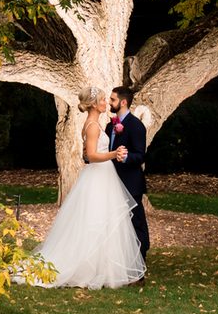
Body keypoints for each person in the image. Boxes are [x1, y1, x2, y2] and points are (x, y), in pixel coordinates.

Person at [28, 85, 145, 288]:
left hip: (103, 176)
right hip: (99, 177)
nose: (105, 103)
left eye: (107, 99)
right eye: (102, 99)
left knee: (105, 222)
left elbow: (87, 155)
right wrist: (113, 153)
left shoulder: (97, 124)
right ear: (93, 104)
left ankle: (106, 267)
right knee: (97, 221)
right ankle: (90, 268)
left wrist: (107, 154)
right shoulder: (92, 126)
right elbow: (91, 155)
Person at [108, 85, 150, 262]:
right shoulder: (110, 125)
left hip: (131, 182)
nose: (110, 102)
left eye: (113, 99)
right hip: (111, 181)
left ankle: (140, 259)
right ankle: (121, 259)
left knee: (135, 222)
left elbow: (140, 155)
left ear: (123, 102)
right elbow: (107, 150)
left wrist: (124, 157)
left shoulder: (136, 126)